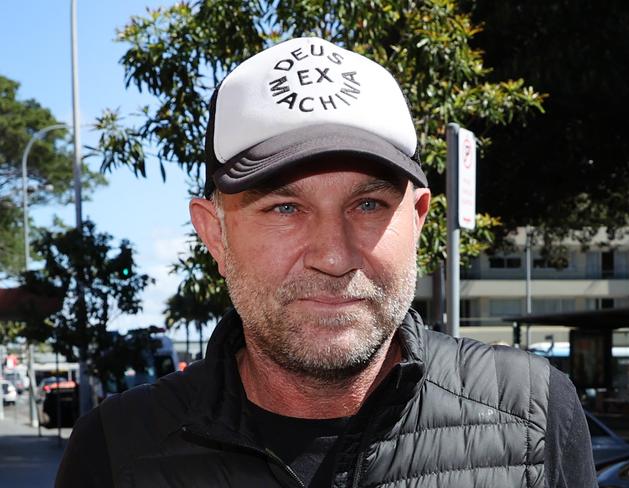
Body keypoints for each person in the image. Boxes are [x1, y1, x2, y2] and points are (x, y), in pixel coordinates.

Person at [56, 37, 597, 488]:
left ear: (418, 219)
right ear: (214, 234)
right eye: (285, 208)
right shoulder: (117, 449)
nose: (334, 256)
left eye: (368, 205)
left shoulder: (533, 412)